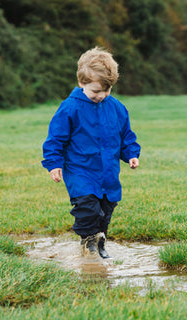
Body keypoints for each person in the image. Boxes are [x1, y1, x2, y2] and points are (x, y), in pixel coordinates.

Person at [41, 47, 141, 259]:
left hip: (108, 173)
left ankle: (100, 240)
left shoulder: (117, 108)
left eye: (107, 90)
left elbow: (126, 136)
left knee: (106, 209)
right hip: (80, 171)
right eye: (96, 91)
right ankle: (88, 243)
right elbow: (55, 140)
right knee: (88, 208)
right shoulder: (69, 108)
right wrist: (54, 164)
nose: (102, 96)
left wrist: (131, 153)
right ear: (81, 83)